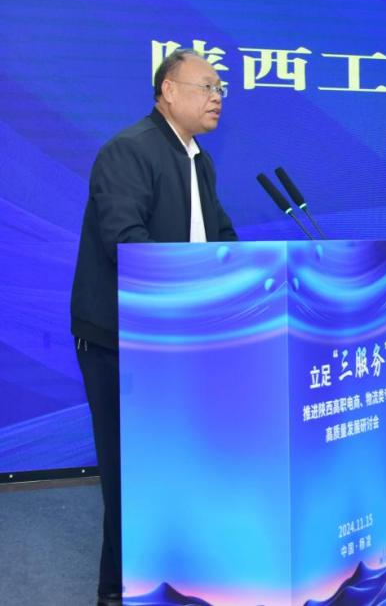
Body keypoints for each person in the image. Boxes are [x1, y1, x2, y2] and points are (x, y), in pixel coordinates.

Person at [70, 49, 238, 606]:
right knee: (132, 474)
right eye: (206, 86)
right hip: (122, 341)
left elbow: (221, 238)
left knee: (179, 466)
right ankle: (117, 593)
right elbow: (126, 244)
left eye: (221, 88)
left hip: (181, 337)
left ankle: (177, 581)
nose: (217, 97)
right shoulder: (130, 150)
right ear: (167, 90)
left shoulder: (198, 161)